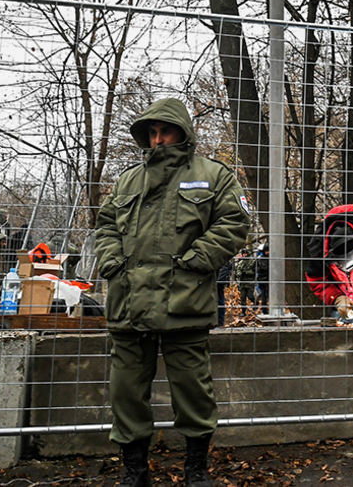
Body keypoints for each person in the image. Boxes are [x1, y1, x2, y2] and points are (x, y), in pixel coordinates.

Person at [94, 98, 250, 487]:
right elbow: (106, 224)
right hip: (128, 303)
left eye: (165, 131)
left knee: (193, 390)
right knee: (126, 392)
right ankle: (135, 471)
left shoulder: (213, 175)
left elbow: (234, 222)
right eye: (152, 133)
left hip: (185, 300)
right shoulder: (129, 180)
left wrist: (197, 259)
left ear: (183, 132)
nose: (159, 139)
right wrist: (112, 262)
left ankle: (196, 470)